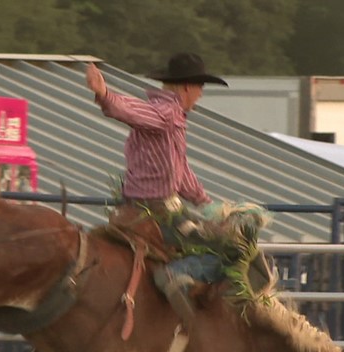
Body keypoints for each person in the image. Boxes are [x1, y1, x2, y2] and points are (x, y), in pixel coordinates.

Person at [85, 52, 242, 321]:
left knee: (216, 232)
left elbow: (179, 172)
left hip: (143, 206)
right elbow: (134, 112)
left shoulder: (172, 118)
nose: (201, 95)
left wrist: (206, 204)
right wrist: (106, 96)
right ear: (186, 87)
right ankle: (177, 274)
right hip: (160, 211)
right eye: (200, 88)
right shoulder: (167, 112)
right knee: (233, 249)